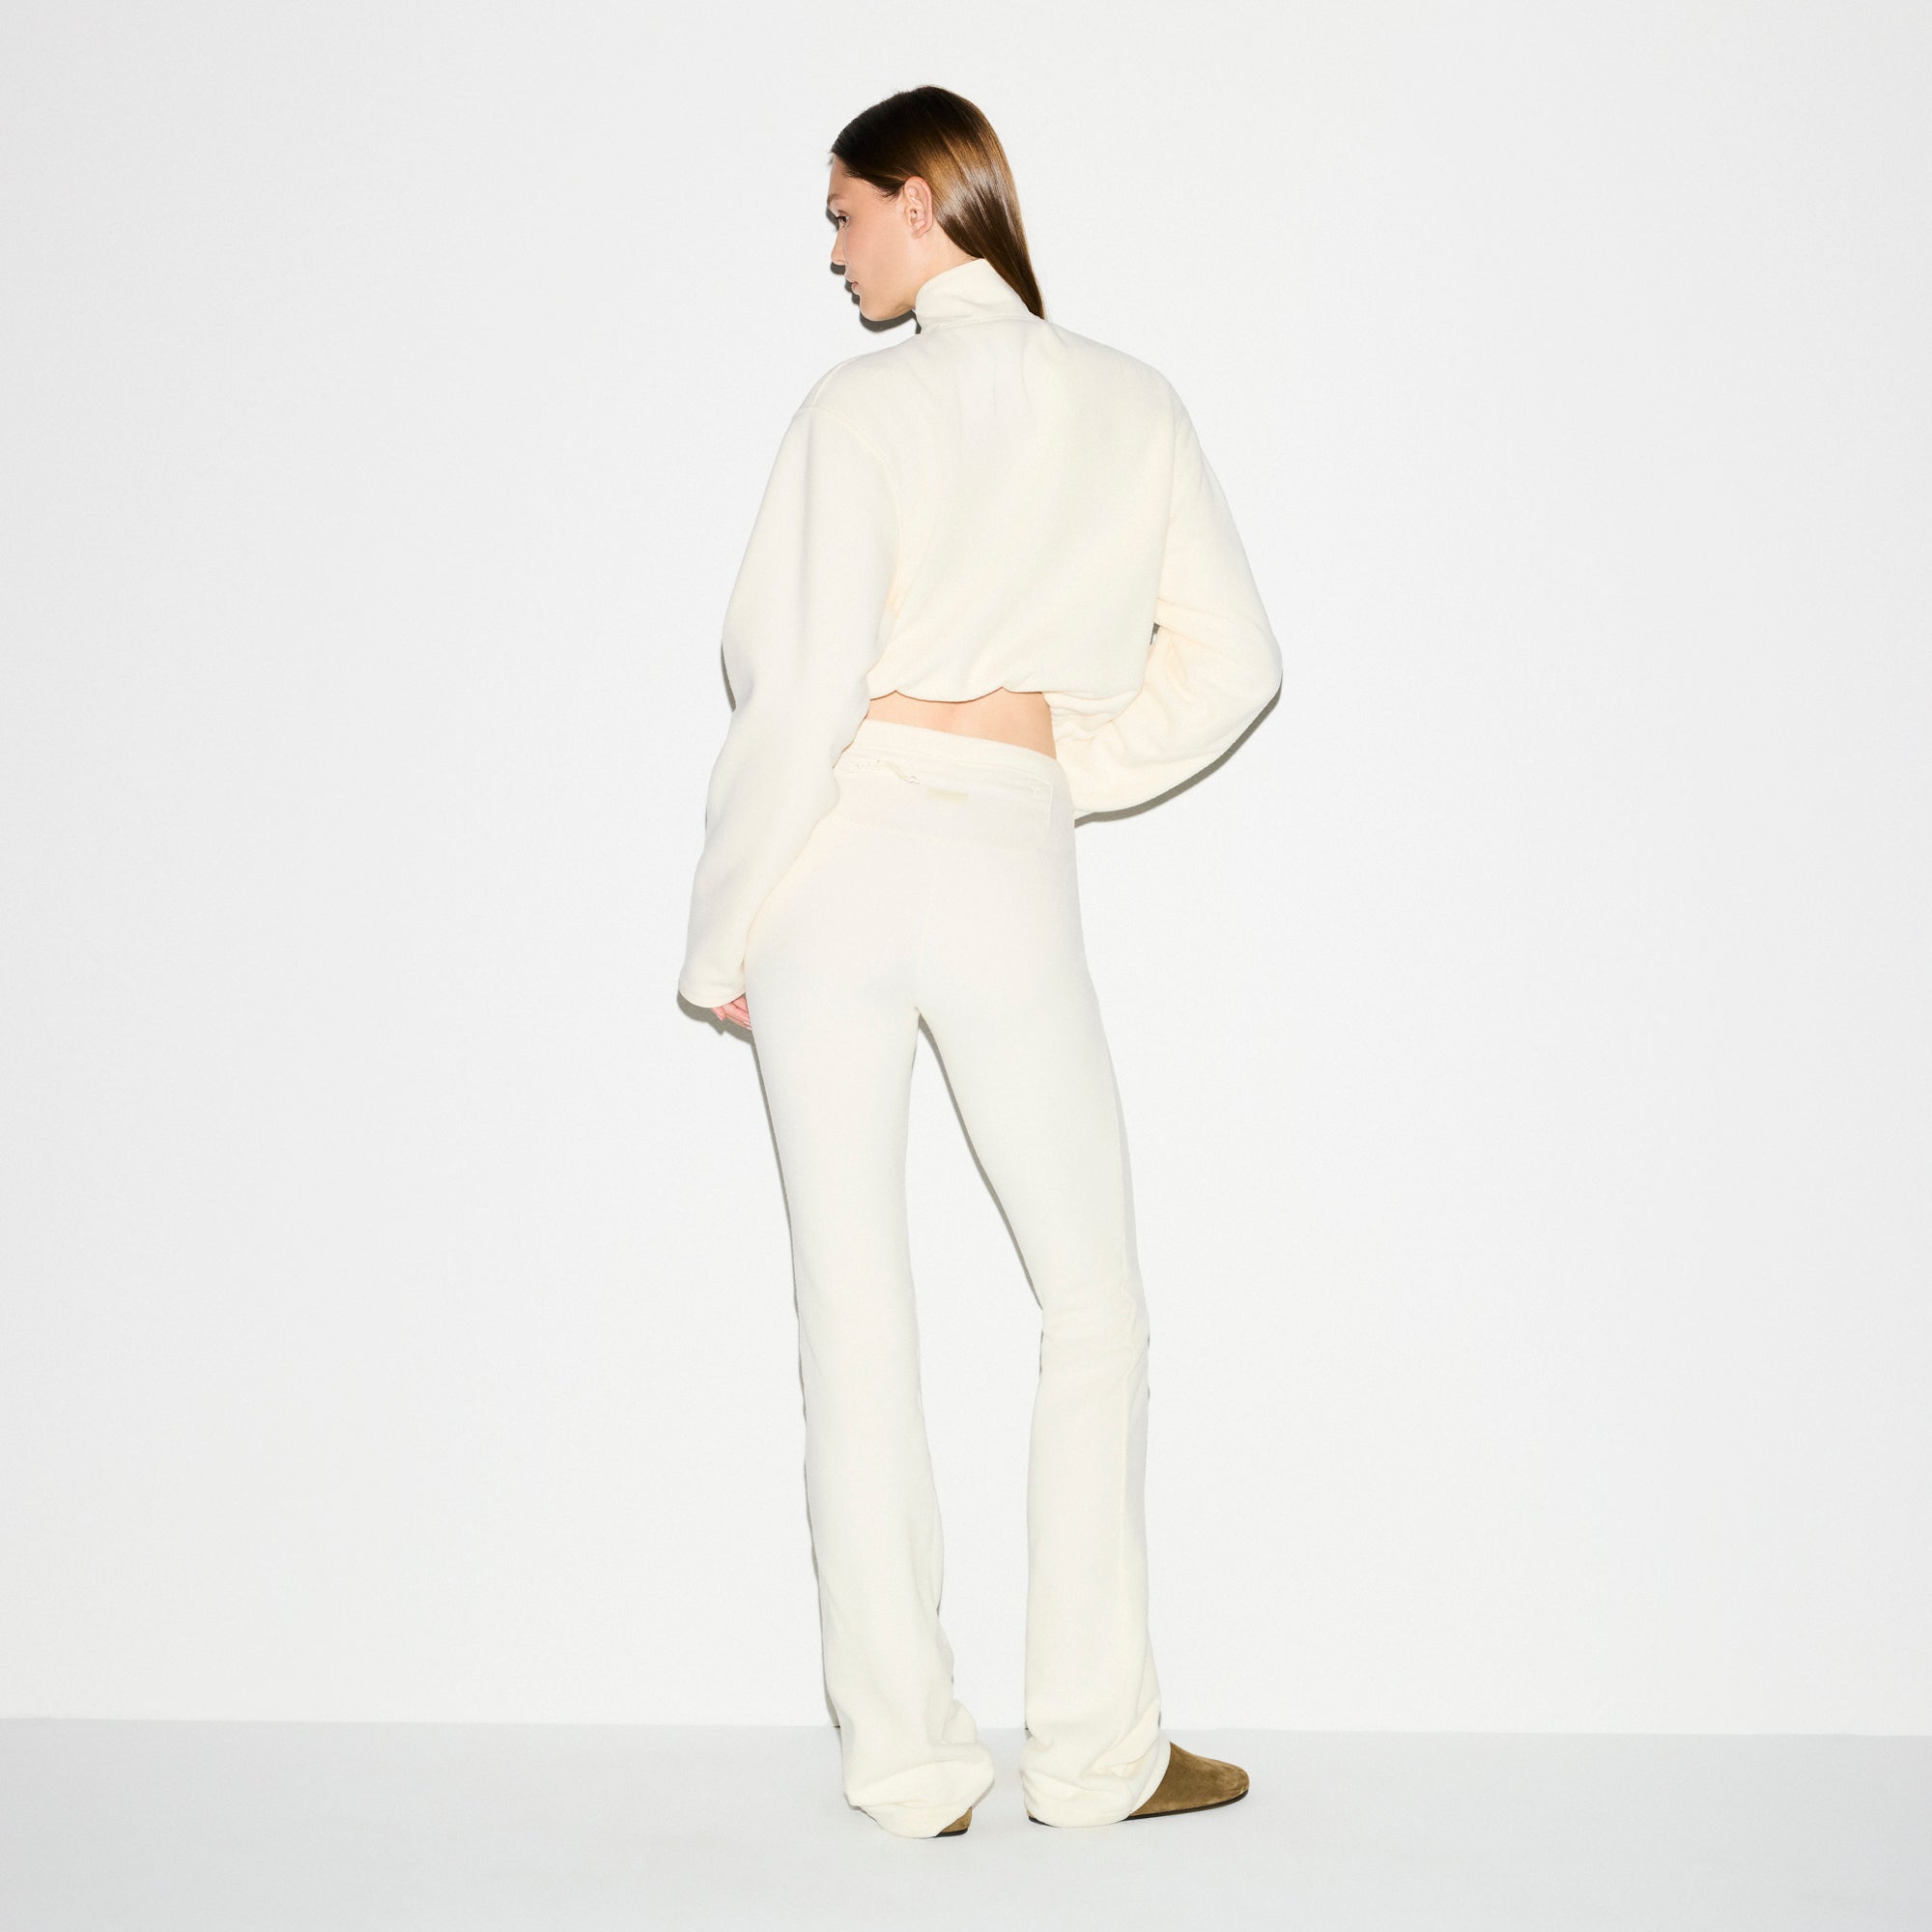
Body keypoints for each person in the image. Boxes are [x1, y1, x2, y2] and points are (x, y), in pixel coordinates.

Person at [677, 85, 1281, 1838]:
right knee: (1094, 1301)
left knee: (852, 1308)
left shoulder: (856, 410)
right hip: (1002, 857)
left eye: (846, 211)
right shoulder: (1132, 402)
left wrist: (721, 929)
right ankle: (1095, 1755)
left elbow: (797, 690)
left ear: (927, 201)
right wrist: (1048, 771)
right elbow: (1236, 662)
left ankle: (912, 1765)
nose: (835, 249)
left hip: (838, 860)